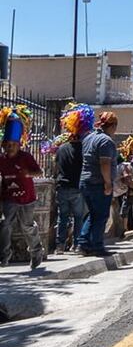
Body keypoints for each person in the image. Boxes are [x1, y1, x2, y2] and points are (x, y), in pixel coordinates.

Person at [0, 107, 45, 269]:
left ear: (19, 145)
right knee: (5, 224)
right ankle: (4, 256)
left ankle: (36, 252)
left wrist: (28, 174)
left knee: (27, 226)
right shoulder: (2, 159)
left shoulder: (26, 157)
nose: (10, 147)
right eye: (7, 145)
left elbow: (40, 172)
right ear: (3, 145)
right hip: (9, 198)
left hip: (27, 198)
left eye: (13, 144)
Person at [77, 112, 120, 257]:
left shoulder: (88, 138)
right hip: (98, 183)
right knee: (101, 216)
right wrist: (108, 183)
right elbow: (105, 163)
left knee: (94, 214)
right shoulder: (105, 141)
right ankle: (97, 246)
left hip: (85, 181)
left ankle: (84, 243)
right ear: (113, 125)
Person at [53, 104, 94, 253]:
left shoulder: (61, 149)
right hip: (77, 188)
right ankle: (77, 244)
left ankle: (60, 246)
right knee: (78, 218)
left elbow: (56, 166)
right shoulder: (84, 148)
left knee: (62, 217)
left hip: (62, 187)